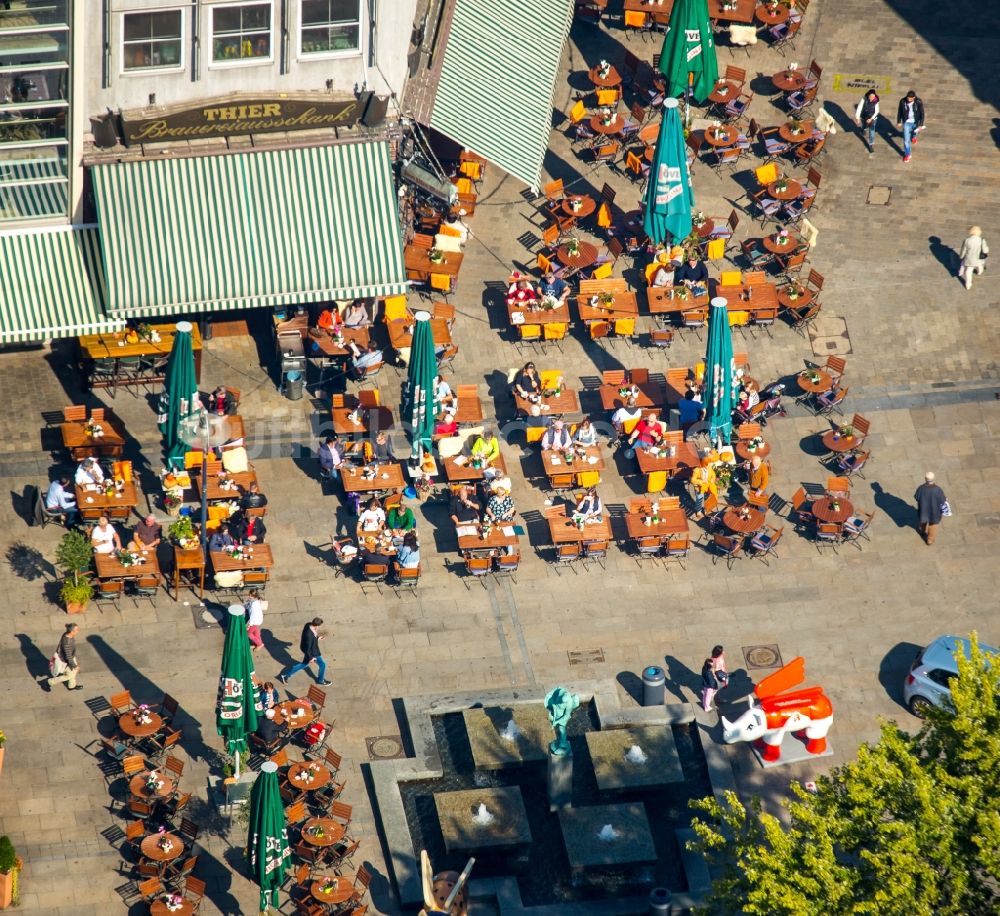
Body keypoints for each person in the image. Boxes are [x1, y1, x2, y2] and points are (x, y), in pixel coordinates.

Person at [279, 617, 331, 685]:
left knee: (303, 664)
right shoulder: (309, 635)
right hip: (312, 652)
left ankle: (285, 675)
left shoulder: (308, 624)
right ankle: (321, 680)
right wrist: (311, 658)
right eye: (318, 626)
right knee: (323, 664)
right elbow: (308, 647)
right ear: (316, 625)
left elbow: (312, 638)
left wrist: (317, 638)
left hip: (310, 650)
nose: (318, 627)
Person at [46, 623, 82, 691]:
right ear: (72, 631)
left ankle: (72, 686)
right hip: (65, 661)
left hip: (71, 657)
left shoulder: (68, 634)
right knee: (69, 675)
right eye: (77, 629)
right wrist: (74, 665)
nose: (78, 630)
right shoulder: (67, 642)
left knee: (73, 672)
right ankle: (49, 682)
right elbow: (68, 656)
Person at [915, 471, 947, 545]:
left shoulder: (921, 488)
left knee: (923, 521)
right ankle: (930, 540)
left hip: (923, 511)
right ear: (934, 478)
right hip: (934, 512)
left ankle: (922, 531)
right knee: (933, 526)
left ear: (925, 479)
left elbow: (917, 497)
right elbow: (942, 501)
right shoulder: (938, 490)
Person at [895, 89, 924, 163]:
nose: (909, 99)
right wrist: (899, 121)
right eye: (908, 98)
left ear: (914, 98)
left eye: (911, 98)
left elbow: (922, 113)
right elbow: (899, 111)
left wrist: (921, 124)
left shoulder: (918, 102)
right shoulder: (902, 101)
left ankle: (914, 137)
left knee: (914, 132)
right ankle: (907, 154)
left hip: (915, 122)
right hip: (906, 122)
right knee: (906, 140)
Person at [958, 226, 989, 291]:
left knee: (968, 271)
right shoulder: (982, 240)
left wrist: (961, 257)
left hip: (970, 259)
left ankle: (968, 285)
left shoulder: (967, 240)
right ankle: (979, 272)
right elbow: (985, 251)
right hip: (979, 259)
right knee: (980, 266)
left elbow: (963, 250)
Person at [854, 90, 880, 154]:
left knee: (872, 131)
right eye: (871, 96)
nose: (872, 98)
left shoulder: (876, 101)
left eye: (873, 97)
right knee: (864, 125)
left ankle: (870, 144)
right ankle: (864, 129)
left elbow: (877, 111)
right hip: (864, 116)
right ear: (868, 95)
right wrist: (857, 118)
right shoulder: (864, 99)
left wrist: (871, 119)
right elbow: (859, 108)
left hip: (873, 118)